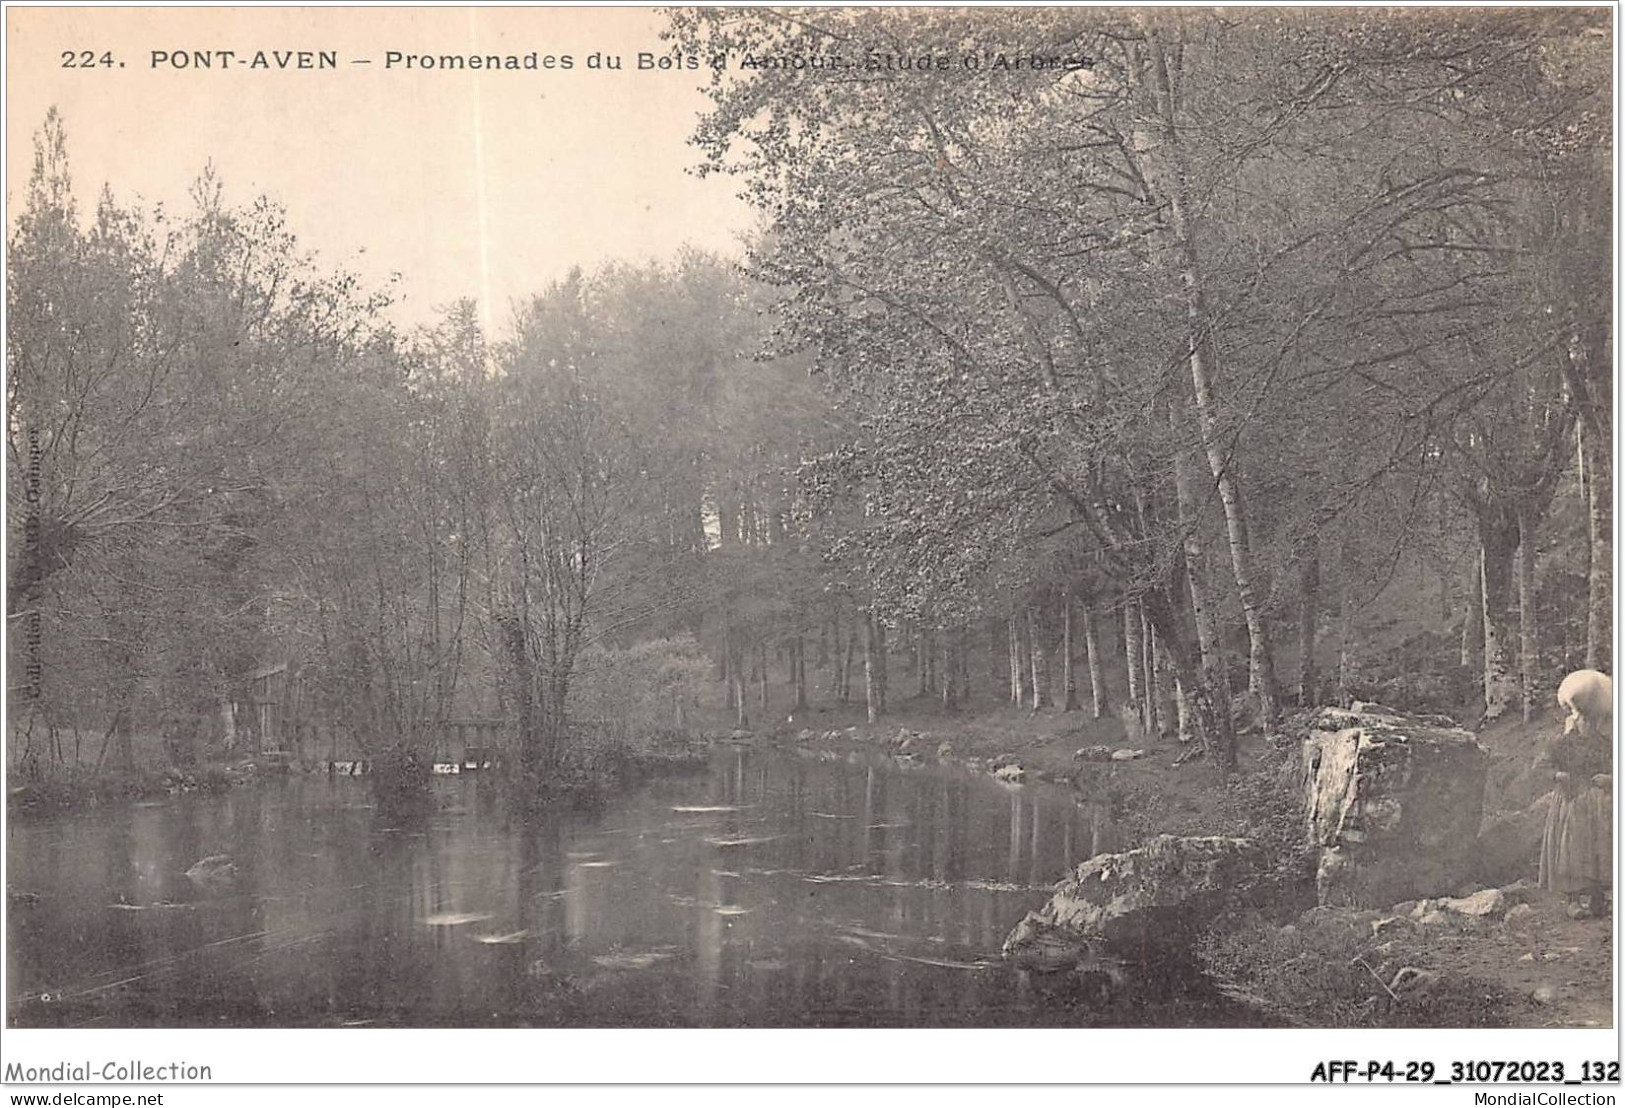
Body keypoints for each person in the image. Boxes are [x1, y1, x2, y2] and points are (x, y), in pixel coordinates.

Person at [1536, 721, 1612, 918]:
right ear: (1576, 717)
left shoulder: (1605, 743)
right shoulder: (1562, 742)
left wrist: (1609, 778)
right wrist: (1558, 774)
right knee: (1572, 849)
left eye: (1592, 717)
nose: (1588, 722)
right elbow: (1541, 765)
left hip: (1599, 804)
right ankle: (1573, 900)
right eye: (1584, 717)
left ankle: (1599, 899)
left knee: (1600, 849)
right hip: (1571, 801)